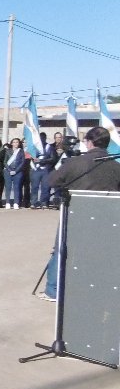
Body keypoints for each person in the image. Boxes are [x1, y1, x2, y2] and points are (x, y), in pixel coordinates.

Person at [39, 126, 120, 301]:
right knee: (101, 251)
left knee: (61, 249)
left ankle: (53, 290)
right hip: (107, 216)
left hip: (76, 214)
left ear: (89, 142)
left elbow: (51, 181)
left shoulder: (75, 162)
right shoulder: (115, 166)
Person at [4, 137, 26, 209]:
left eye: (17, 142)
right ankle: (7, 202)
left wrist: (16, 171)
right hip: (8, 171)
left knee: (17, 187)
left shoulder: (21, 151)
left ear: (19, 143)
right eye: (14, 142)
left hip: (18, 172)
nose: (15, 143)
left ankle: (16, 203)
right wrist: (9, 170)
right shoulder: (8, 151)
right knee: (8, 187)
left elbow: (22, 162)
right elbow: (5, 162)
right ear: (11, 143)